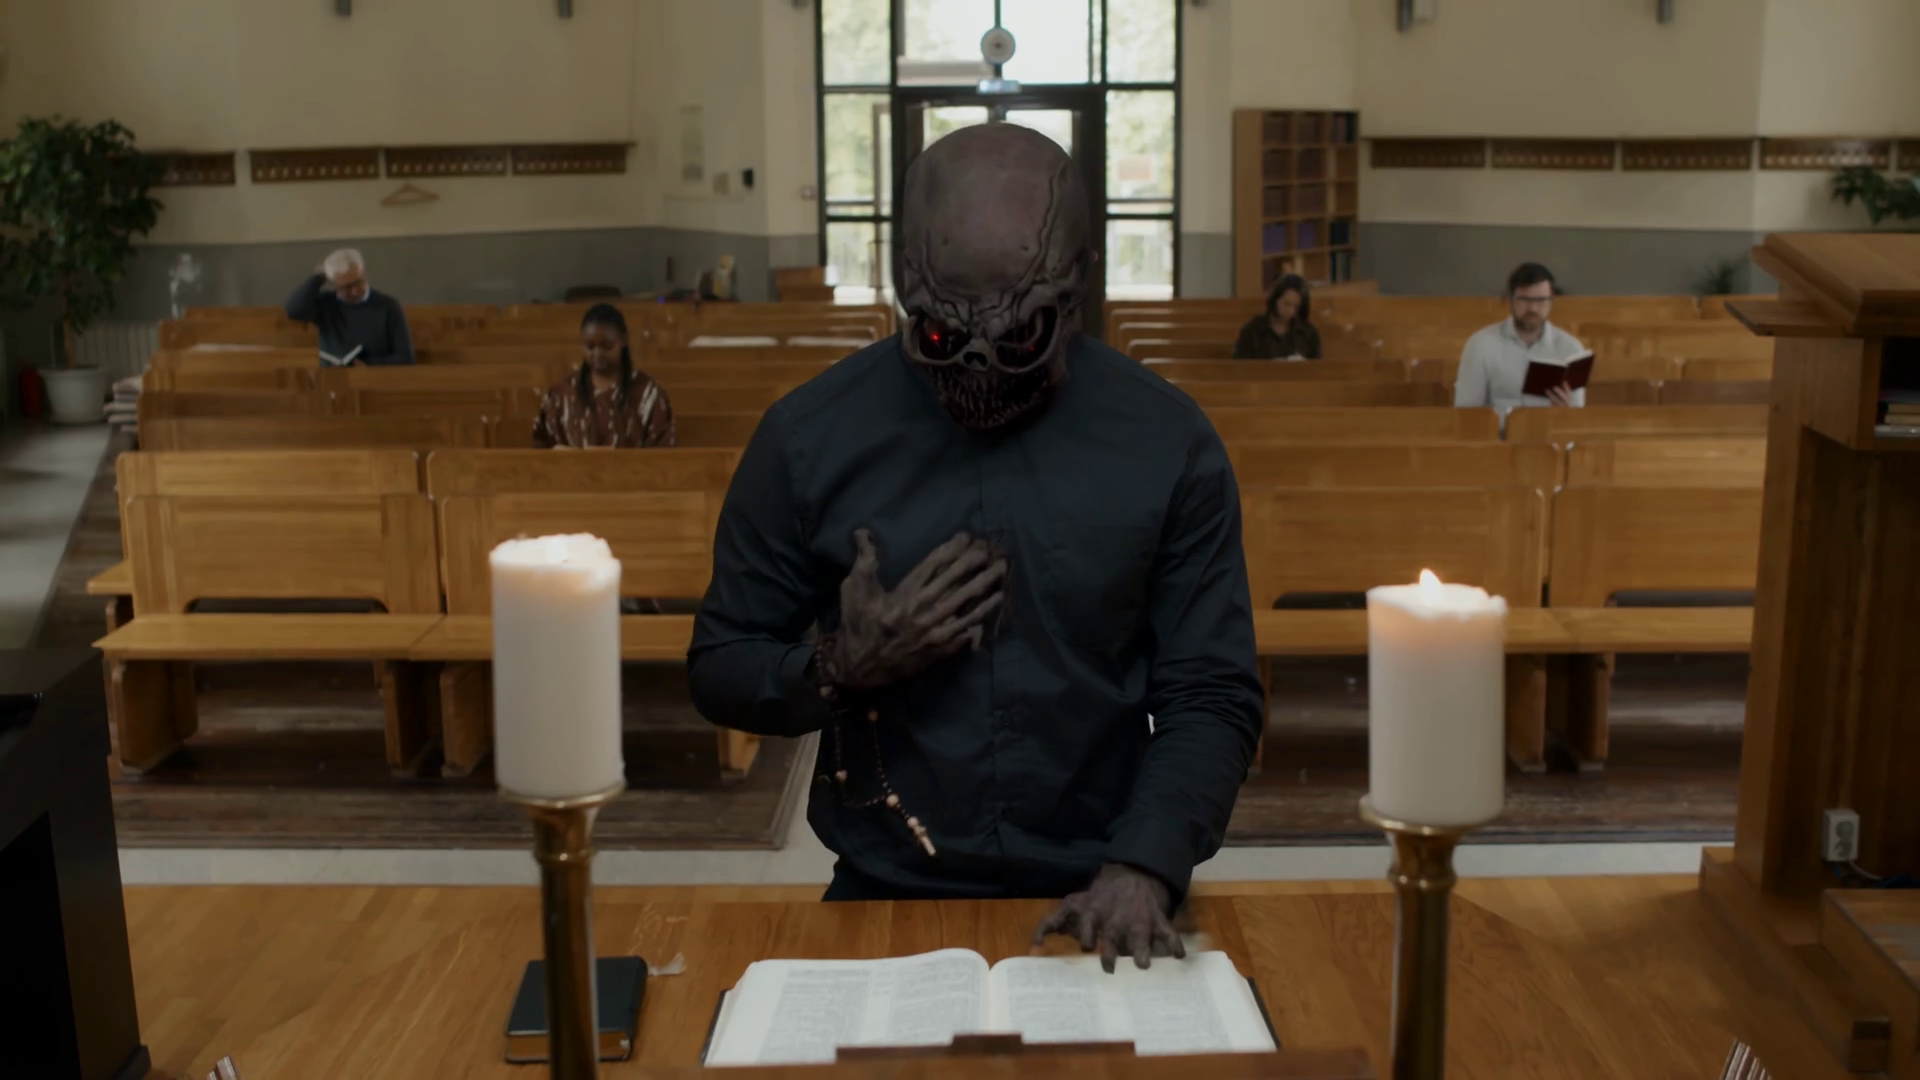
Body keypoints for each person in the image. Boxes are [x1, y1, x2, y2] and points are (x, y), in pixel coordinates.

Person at [687, 124, 1262, 972]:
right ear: (904, 291)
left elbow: (1210, 692)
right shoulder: (811, 439)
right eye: (938, 339)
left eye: (1018, 339)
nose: (976, 375)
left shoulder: (1167, 444)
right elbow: (719, 664)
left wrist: (1146, 862)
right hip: (885, 888)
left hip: (1109, 879)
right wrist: (839, 668)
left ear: (1079, 290)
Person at [531, 304, 675, 449]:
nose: (597, 353)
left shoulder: (648, 395)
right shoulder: (561, 394)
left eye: (606, 346)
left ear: (623, 340)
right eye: (589, 346)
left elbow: (663, 456)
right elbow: (541, 448)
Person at [1454, 262, 1587, 409]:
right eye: (1524, 300)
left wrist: (1566, 410)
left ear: (1551, 301)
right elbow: (1466, 411)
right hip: (1498, 430)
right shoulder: (1480, 344)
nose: (1533, 308)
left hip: (1548, 429)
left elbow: (1576, 416)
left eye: (1541, 300)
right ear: (1511, 299)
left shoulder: (1571, 348)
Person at [283, 249, 415, 366]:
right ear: (334, 284)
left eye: (358, 282)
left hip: (374, 378)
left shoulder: (388, 306)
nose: (354, 291)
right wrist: (319, 277)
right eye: (346, 287)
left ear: (364, 274)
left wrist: (368, 364)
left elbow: (406, 358)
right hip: (332, 379)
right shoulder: (326, 303)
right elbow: (294, 310)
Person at [1232, 274, 1322, 359]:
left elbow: (1316, 369)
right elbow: (1240, 367)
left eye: (1296, 307)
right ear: (1275, 299)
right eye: (1286, 304)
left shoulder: (1309, 333)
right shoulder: (1253, 329)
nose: (1290, 311)